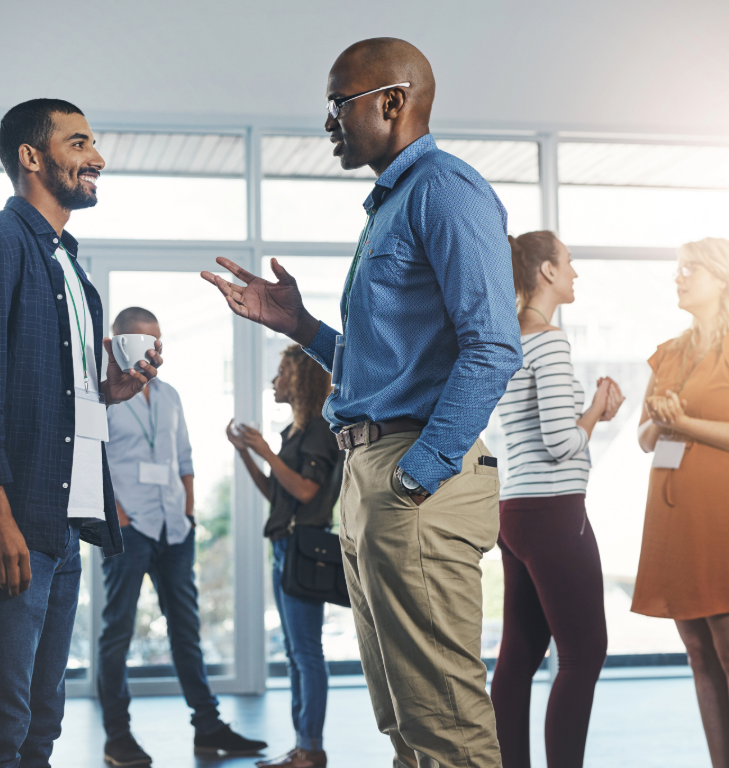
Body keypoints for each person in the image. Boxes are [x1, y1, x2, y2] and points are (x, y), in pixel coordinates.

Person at [202, 38, 522, 768]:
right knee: (406, 723)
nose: (327, 124)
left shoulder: (444, 189)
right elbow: (382, 370)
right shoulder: (393, 206)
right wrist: (300, 326)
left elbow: (494, 345)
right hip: (372, 475)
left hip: (411, 477)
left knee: (445, 726)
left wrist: (419, 473)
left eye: (338, 104)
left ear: (393, 102)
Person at [0, 99, 162, 768]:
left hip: (59, 527)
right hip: (9, 521)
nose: (98, 157)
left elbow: (55, 397)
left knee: (38, 728)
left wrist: (107, 392)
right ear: (33, 158)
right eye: (80, 142)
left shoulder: (71, 268)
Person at [633, 238, 729, 768]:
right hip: (677, 523)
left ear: (723, 278)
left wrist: (684, 421)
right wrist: (660, 418)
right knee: (701, 658)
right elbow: (646, 437)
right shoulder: (670, 351)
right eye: (678, 269)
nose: (679, 277)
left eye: (690, 269)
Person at [97, 307, 266, 766]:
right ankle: (117, 737)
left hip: (174, 527)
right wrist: (119, 516)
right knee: (117, 633)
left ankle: (208, 729)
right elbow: (93, 459)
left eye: (155, 341)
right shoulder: (103, 395)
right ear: (115, 344)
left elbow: (185, 459)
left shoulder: (169, 395)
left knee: (187, 632)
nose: (150, 349)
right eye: (138, 340)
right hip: (129, 528)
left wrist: (188, 513)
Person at [490, 231, 624, 768]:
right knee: (584, 653)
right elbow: (562, 441)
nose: (575, 273)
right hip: (553, 508)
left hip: (516, 510)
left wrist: (591, 414)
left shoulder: (507, 338)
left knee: (519, 655)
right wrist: (595, 408)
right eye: (568, 263)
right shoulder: (548, 340)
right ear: (545, 271)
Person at [226, 345, 342, 768]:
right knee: (297, 653)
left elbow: (308, 492)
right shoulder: (292, 433)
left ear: (300, 379)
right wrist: (246, 452)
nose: (275, 381)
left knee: (307, 653)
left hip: (304, 548)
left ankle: (311, 748)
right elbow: (277, 495)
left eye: (281, 373)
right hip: (285, 545)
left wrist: (265, 452)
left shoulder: (319, 431)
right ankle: (302, 746)